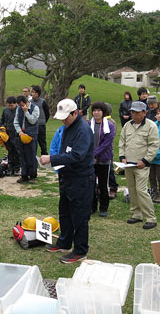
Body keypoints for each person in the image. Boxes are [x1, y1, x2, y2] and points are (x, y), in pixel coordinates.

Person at [40, 98, 94, 264]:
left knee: (79, 215)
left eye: (66, 117)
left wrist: (52, 158)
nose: (64, 120)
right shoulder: (68, 127)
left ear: (75, 113)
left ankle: (80, 250)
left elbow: (77, 155)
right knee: (65, 211)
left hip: (81, 178)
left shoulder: (83, 130)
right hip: (66, 175)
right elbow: (65, 149)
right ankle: (64, 242)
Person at [119, 101, 160, 229]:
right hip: (128, 165)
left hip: (142, 165)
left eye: (137, 112)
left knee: (141, 190)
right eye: (132, 112)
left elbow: (154, 145)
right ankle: (136, 214)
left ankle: (150, 218)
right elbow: (122, 142)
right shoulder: (127, 125)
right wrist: (122, 157)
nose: (134, 114)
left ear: (144, 113)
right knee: (132, 189)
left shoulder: (151, 126)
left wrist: (146, 161)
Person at [89, 102, 116, 217]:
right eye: (94, 110)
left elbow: (106, 144)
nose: (96, 112)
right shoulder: (88, 124)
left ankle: (104, 207)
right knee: (90, 184)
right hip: (90, 160)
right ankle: (92, 207)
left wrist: (95, 154)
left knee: (103, 185)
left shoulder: (110, 126)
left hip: (104, 159)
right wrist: (91, 156)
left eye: (99, 110)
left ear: (103, 112)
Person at [14, 95, 39, 183]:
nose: (21, 107)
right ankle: (24, 175)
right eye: (20, 106)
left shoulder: (35, 108)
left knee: (31, 155)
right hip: (21, 135)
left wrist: (26, 112)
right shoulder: (18, 109)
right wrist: (19, 132)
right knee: (22, 155)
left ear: (27, 102)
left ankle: (32, 175)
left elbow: (33, 120)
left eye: (22, 105)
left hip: (31, 135)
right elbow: (16, 121)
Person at [0, 96, 21, 176]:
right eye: (9, 105)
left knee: (17, 151)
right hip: (8, 134)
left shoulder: (19, 110)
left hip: (17, 133)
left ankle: (17, 168)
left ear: (15, 104)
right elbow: (2, 120)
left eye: (11, 105)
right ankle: (10, 168)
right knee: (10, 151)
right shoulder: (5, 110)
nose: (10, 107)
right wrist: (0, 129)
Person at [30, 85, 50, 156]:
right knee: (32, 142)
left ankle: (44, 156)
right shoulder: (29, 102)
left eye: (35, 92)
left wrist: (43, 121)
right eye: (32, 92)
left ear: (38, 93)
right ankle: (32, 156)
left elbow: (47, 113)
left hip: (41, 125)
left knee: (42, 142)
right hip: (32, 125)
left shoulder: (43, 102)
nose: (33, 94)